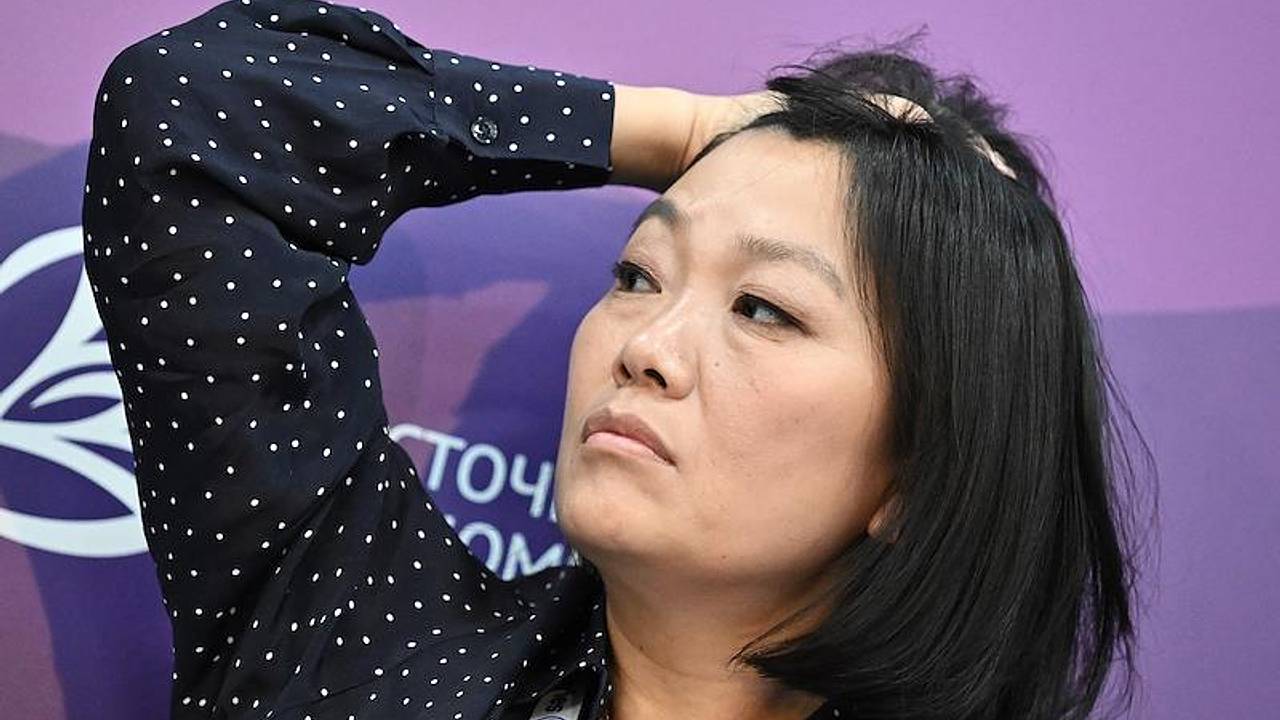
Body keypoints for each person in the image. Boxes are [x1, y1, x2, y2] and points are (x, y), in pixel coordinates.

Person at [82, 0, 1148, 718]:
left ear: (918, 469)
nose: (646, 348)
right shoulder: (359, 643)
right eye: (638, 274)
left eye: (763, 308)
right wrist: (685, 131)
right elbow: (189, 106)